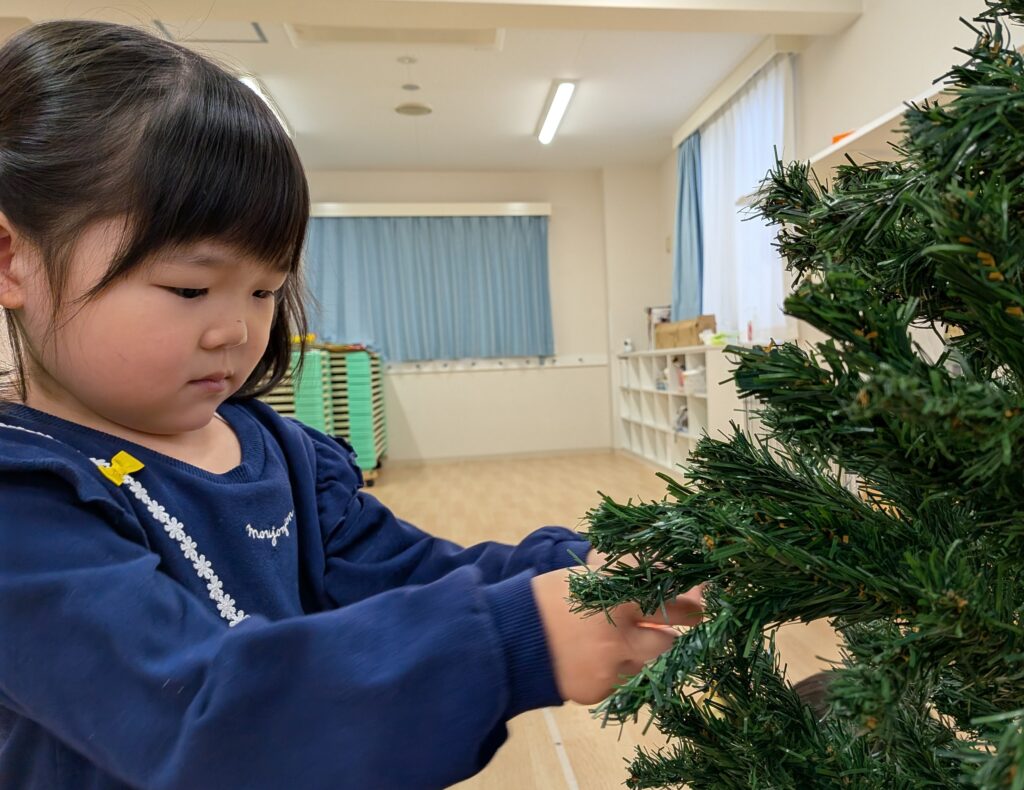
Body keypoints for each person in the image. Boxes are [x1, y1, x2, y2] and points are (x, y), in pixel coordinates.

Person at [0, 19, 703, 790]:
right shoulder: (26, 501)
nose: (237, 330)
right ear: (13, 258)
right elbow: (200, 714)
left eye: (266, 290)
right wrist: (508, 642)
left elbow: (413, 574)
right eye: (189, 288)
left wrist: (585, 568)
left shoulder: (286, 455)